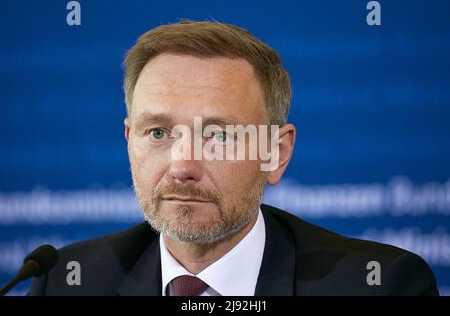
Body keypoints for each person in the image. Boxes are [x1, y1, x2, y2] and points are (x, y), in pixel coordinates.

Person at [29, 20, 438, 296]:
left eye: (219, 136)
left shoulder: (379, 286)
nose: (183, 166)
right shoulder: (67, 282)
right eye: (157, 133)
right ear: (128, 140)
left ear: (276, 154)